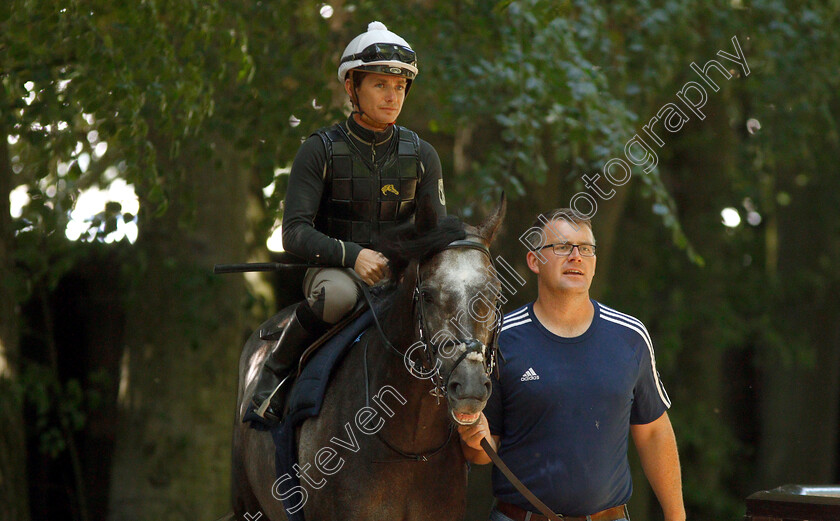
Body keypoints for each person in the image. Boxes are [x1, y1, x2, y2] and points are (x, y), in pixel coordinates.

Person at [244, 21, 446, 426]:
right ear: (352, 87)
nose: (392, 97)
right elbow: (294, 233)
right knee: (337, 298)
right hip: (334, 272)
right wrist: (353, 257)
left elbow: (434, 234)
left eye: (400, 88)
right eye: (380, 86)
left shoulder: (424, 155)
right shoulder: (318, 150)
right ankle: (274, 375)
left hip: (400, 277)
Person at [458, 209, 685, 521]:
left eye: (586, 249)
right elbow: (482, 452)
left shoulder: (630, 336)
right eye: (563, 247)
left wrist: (677, 517)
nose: (576, 257)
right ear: (534, 261)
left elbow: (654, 433)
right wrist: (474, 437)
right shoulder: (501, 340)